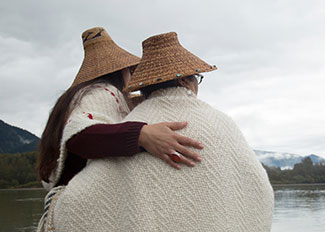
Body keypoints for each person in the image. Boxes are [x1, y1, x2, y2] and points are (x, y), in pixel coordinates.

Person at [53, 32, 274, 232]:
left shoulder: (128, 117)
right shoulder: (223, 123)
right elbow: (259, 189)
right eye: (197, 78)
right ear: (184, 79)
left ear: (144, 86)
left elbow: (78, 204)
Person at [36, 28, 203, 231]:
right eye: (131, 71)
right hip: (83, 204)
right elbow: (79, 137)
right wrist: (141, 135)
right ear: (121, 71)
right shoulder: (103, 93)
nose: (132, 77)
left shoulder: (77, 96)